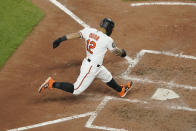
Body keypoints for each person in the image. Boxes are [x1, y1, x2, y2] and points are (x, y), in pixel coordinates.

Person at [38, 18, 133, 97]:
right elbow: (116, 52)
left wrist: (60, 39)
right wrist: (123, 53)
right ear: (109, 28)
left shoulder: (89, 31)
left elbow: (75, 35)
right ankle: (51, 84)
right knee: (76, 90)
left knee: (107, 77)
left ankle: (121, 90)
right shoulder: (107, 39)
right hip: (91, 68)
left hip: (91, 63)